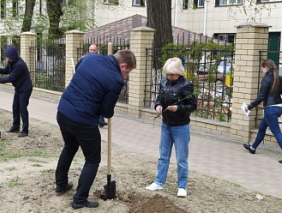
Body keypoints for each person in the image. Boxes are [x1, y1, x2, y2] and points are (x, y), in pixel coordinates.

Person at [55, 49, 136, 209]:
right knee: (92, 159)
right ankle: (79, 200)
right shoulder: (116, 80)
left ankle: (61, 184)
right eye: (127, 72)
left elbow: (79, 72)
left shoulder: (90, 58)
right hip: (83, 120)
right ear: (123, 65)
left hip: (63, 111)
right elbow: (106, 112)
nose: (125, 76)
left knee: (70, 147)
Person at [145, 58, 197, 198]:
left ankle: (182, 186)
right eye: (168, 74)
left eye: (172, 75)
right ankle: (159, 182)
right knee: (163, 155)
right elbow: (159, 98)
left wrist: (178, 108)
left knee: (181, 158)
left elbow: (193, 105)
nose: (169, 77)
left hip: (181, 126)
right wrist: (158, 106)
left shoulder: (186, 85)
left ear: (179, 72)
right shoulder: (163, 82)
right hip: (166, 124)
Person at [243, 59, 282, 164]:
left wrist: (250, 106)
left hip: (270, 109)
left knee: (277, 132)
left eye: (262, 68)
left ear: (266, 67)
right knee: (262, 127)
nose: (262, 69)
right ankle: (253, 148)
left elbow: (261, 96)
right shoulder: (280, 78)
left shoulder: (266, 79)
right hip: (278, 108)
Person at [0, 45, 33, 138]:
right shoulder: (12, 62)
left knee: (22, 109)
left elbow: (10, 78)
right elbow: (6, 70)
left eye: (8, 57)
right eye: (7, 56)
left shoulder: (19, 65)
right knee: (15, 107)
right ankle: (15, 126)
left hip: (25, 89)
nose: (7, 58)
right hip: (18, 88)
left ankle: (25, 130)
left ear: (13, 56)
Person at [81, 44, 107, 128]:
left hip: (97, 85)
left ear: (97, 51)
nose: (92, 51)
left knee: (99, 102)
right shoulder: (84, 59)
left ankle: (101, 120)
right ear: (89, 50)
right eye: (91, 50)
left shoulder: (100, 60)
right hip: (87, 84)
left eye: (94, 50)